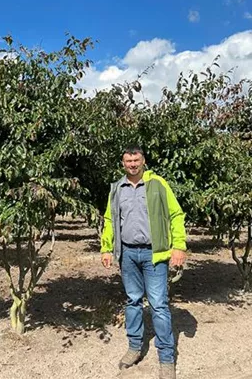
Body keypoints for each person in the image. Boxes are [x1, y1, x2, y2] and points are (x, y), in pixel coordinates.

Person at [100, 144, 187, 379]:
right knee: (133, 301)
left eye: (136, 160)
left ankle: (166, 358)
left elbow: (176, 214)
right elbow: (110, 219)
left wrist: (178, 245)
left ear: (143, 161)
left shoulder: (157, 184)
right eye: (128, 161)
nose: (132, 164)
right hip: (128, 254)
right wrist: (106, 248)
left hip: (154, 254)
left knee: (158, 304)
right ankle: (135, 347)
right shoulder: (117, 188)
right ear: (123, 163)